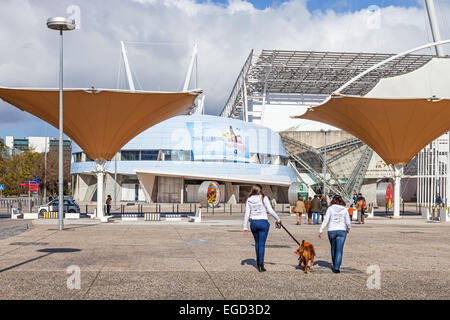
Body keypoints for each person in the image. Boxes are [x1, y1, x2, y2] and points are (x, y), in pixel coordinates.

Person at [243, 184, 281, 272]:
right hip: (263, 222)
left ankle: (258, 262)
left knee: (257, 243)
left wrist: (245, 227)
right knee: (262, 244)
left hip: (253, 223)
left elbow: (247, 214)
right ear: (260, 190)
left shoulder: (249, 199)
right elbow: (270, 211)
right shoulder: (264, 198)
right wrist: (278, 219)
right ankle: (261, 265)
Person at [318, 195, 351, 273]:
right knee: (339, 250)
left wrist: (321, 230)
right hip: (342, 230)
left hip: (332, 230)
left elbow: (326, 220)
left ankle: (334, 264)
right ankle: (337, 267)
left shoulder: (330, 209)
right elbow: (348, 221)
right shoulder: (345, 209)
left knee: (333, 248)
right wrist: (348, 229)